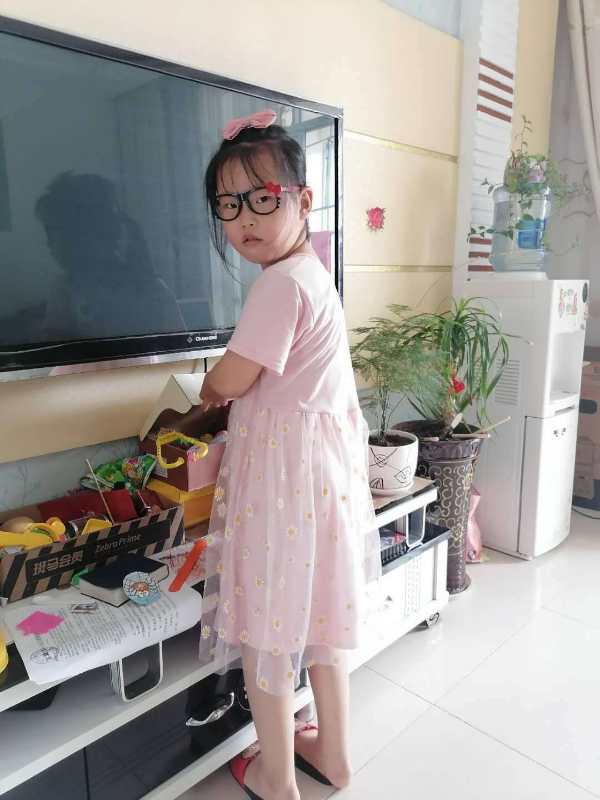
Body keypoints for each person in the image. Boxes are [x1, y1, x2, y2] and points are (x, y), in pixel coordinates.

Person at [198, 110, 379, 800]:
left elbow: (231, 379)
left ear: (303, 200)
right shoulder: (312, 272)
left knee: (266, 621)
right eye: (228, 204)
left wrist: (207, 388)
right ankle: (333, 753)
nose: (244, 219)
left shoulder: (277, 284)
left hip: (282, 483)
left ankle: (277, 777)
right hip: (321, 477)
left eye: (261, 198)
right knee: (319, 615)